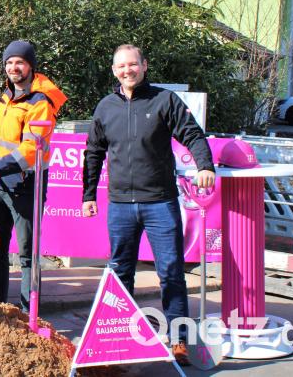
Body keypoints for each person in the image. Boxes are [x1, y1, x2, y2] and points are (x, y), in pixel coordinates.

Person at [82, 44, 216, 366]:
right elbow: (93, 152)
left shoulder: (164, 100)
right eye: (121, 66)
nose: (127, 70)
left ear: (144, 66)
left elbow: (192, 134)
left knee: (171, 272)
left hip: (160, 203)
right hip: (120, 206)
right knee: (120, 273)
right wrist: (88, 195)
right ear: (114, 71)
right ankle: (122, 337)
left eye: (132, 64)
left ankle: (179, 339)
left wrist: (205, 165)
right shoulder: (105, 107)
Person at [0, 40, 67, 310]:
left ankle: (29, 314)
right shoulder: (8, 94)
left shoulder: (40, 103)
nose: (14, 67)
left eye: (20, 63)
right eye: (9, 63)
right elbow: (11, 120)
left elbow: (28, 152)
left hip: (25, 187)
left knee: (27, 254)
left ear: (31, 66)